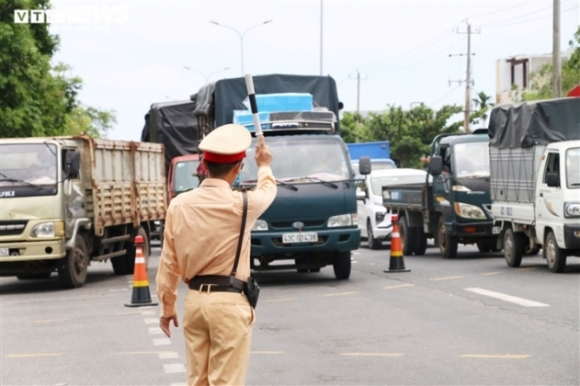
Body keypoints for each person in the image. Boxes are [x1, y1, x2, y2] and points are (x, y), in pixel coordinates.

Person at [156, 124, 277, 386]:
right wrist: (265, 164)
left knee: (197, 381)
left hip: (195, 303)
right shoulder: (243, 205)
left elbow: (169, 262)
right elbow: (268, 191)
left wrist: (167, 307)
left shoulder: (178, 205)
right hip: (229, 304)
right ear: (237, 168)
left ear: (205, 165)